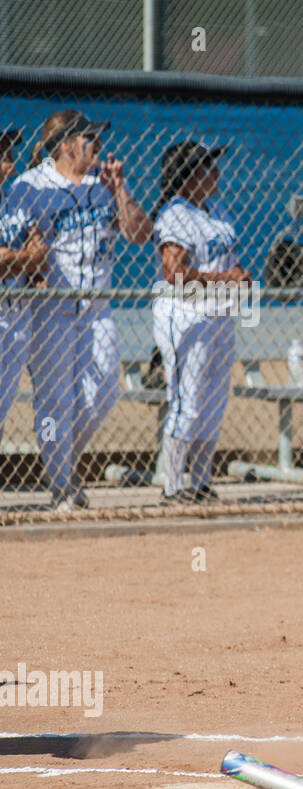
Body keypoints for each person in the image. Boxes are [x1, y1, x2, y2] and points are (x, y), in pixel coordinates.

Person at [8, 111, 152, 510]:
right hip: (49, 310)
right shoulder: (30, 186)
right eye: (91, 139)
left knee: (103, 393)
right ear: (66, 145)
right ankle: (61, 487)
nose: (99, 146)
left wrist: (121, 191)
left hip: (97, 309)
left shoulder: (104, 186)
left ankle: (62, 465)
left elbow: (140, 234)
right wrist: (31, 269)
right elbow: (13, 239)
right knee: (56, 402)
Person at [151, 142, 249, 503]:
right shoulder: (177, 213)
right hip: (186, 314)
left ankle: (201, 481)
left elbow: (224, 264)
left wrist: (235, 281)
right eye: (206, 168)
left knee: (213, 402)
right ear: (187, 176)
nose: (215, 173)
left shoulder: (217, 210)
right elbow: (173, 272)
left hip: (219, 314)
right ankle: (173, 484)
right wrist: (226, 281)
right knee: (187, 401)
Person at [0, 128, 47, 451]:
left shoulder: (15, 200)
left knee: (2, 408)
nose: (11, 165)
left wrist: (17, 259)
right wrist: (25, 259)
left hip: (16, 316)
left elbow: (41, 255)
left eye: (12, 155)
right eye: (4, 156)